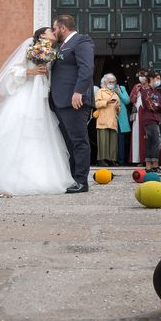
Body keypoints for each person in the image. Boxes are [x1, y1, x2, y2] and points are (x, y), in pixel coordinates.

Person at [0, 27, 75, 195]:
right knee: (19, 130)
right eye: (50, 31)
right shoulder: (29, 48)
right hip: (25, 96)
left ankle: (39, 175)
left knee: (40, 133)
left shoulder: (53, 52)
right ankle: (8, 177)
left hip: (40, 96)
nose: (53, 33)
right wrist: (30, 71)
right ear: (41, 35)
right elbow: (12, 71)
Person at [49, 15, 95, 193]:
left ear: (62, 28)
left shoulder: (81, 41)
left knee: (79, 141)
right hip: (60, 101)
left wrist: (79, 92)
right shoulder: (61, 46)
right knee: (68, 143)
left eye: (54, 28)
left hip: (74, 100)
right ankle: (71, 178)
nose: (53, 31)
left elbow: (87, 67)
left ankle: (81, 181)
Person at [140, 70, 161, 175]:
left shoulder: (156, 93)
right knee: (156, 141)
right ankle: (154, 166)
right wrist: (156, 106)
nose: (158, 81)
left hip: (156, 119)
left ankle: (149, 167)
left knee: (152, 141)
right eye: (157, 78)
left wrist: (157, 105)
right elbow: (149, 104)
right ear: (151, 78)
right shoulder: (146, 91)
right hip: (149, 118)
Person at [94, 73, 121, 166]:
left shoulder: (115, 94)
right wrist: (107, 102)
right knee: (103, 141)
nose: (112, 84)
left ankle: (112, 160)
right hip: (103, 119)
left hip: (113, 120)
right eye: (110, 82)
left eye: (113, 82)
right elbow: (96, 104)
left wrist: (118, 107)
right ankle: (102, 160)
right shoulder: (100, 92)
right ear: (105, 82)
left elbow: (119, 108)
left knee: (113, 142)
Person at [129, 69, 148, 166]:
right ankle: (139, 160)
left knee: (147, 136)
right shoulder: (136, 86)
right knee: (137, 136)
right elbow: (131, 100)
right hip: (137, 115)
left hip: (147, 114)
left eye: (143, 75)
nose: (141, 77)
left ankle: (148, 160)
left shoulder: (150, 87)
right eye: (140, 75)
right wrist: (136, 92)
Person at [114, 78, 131, 165]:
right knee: (112, 141)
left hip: (121, 119)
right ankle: (112, 160)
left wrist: (119, 93)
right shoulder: (106, 89)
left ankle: (121, 161)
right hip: (111, 118)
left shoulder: (122, 88)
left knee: (121, 141)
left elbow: (127, 101)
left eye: (114, 81)